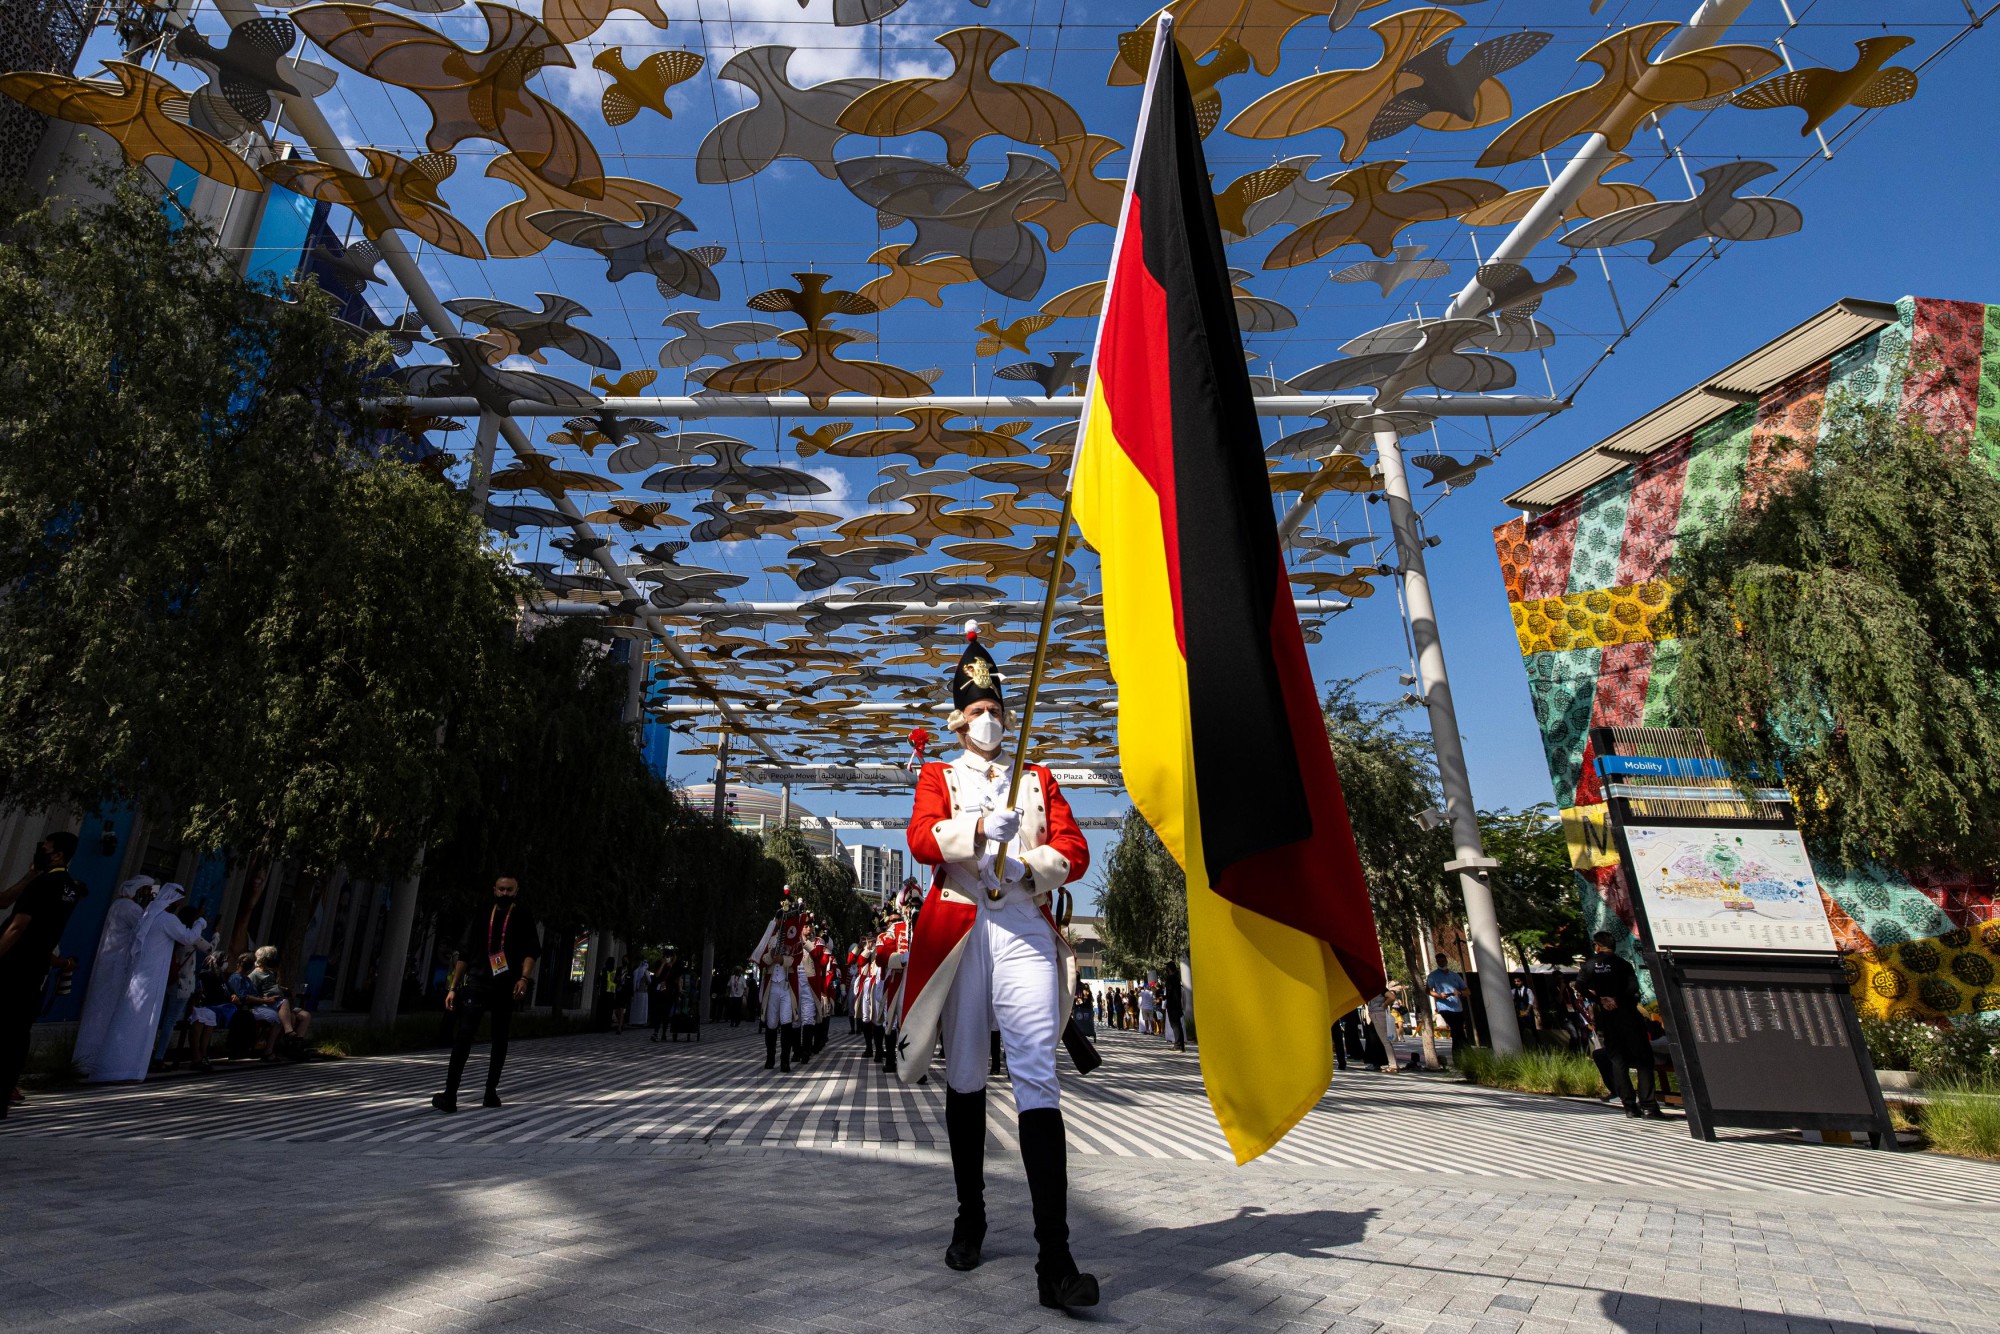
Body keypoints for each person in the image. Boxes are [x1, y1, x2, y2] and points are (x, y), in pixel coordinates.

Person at [901, 626, 1097, 1311]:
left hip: (1020, 923)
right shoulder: (940, 775)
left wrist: (1025, 864)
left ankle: (1055, 1256)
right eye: (976, 712)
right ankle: (971, 1214)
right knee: (963, 1073)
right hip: (962, 926)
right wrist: (980, 833)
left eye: (995, 712)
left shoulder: (1037, 778)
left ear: (1008, 717)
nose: (988, 722)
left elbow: (1075, 848)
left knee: (1037, 1072)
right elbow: (922, 836)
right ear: (960, 719)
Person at [432, 875, 540, 1112]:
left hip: (506, 985)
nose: (504, 893)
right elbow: (464, 952)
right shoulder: (482, 914)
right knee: (464, 1035)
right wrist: (453, 987)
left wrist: (524, 978)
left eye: (509, 890)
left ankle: (491, 1092)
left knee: (500, 1038)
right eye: (501, 889)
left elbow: (531, 950)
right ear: (494, 889)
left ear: (516, 890)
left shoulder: (522, 916)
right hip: (478, 981)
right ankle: (450, 1094)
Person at [0, 832, 87, 1119]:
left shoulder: (44, 884)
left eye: (45, 847)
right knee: (17, 1031)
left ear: (57, 854)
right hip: (37, 967)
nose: (40, 850)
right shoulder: (69, 888)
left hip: (13, 964)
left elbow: (17, 926)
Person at [90, 883, 208, 1082]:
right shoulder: (167, 919)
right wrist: (201, 922)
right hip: (152, 976)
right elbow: (188, 937)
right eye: (178, 901)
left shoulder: (150, 915)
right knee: (143, 1020)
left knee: (132, 1018)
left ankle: (123, 1066)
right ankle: (128, 1067)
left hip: (141, 975)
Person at [71, 875, 154, 1077]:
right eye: (146, 891)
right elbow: (146, 929)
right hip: (117, 963)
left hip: (111, 961)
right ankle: (94, 1060)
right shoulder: (130, 908)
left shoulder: (118, 905)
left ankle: (87, 1059)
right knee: (106, 1009)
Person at [1576, 931, 1661, 1119]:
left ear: (1596, 946)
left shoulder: (1589, 965)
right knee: (1643, 1059)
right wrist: (1618, 999)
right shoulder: (1622, 964)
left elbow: (1579, 986)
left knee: (1617, 1059)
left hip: (1607, 1017)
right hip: (1628, 1014)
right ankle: (1649, 1105)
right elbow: (1633, 988)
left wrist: (1600, 999)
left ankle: (1629, 1106)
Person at [752, 892, 807, 1072]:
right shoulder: (770, 939)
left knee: (786, 1021)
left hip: (786, 985)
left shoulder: (793, 938)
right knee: (771, 1022)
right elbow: (761, 960)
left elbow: (797, 959)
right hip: (772, 986)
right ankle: (770, 1058)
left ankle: (785, 1060)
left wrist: (782, 960)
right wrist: (771, 956)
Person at [1426, 960, 1471, 1057]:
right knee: (1457, 1029)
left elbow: (1467, 991)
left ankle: (1462, 1056)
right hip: (1444, 1007)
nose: (1441, 962)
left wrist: (1460, 993)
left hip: (1457, 1007)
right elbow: (1428, 990)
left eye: (1442, 960)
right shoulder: (1433, 976)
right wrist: (1439, 995)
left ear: (1446, 961)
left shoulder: (1454, 975)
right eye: (1438, 960)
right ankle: (1467, 1055)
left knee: (1458, 1032)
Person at [1162, 967, 1184, 1051]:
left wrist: (1164, 997)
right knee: (1178, 1025)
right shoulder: (1177, 979)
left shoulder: (1170, 979)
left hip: (1172, 1005)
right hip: (1177, 1005)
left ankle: (1177, 1044)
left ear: (1169, 970)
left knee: (1174, 1025)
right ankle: (1181, 1044)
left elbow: (1169, 991)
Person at [1510, 972, 1537, 1037]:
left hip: (1527, 1010)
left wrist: (1527, 1011)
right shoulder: (1513, 991)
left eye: (1518, 981)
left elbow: (1531, 1001)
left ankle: (1538, 1043)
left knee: (1532, 1027)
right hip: (1519, 1011)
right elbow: (1512, 1001)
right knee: (1521, 1028)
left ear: (1522, 981)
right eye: (1515, 981)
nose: (1516, 983)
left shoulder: (1528, 990)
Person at [629, 954, 652, 1032]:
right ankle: (641, 1021)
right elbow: (649, 981)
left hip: (636, 991)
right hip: (644, 991)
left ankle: (634, 1021)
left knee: (635, 1007)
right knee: (642, 1008)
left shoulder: (636, 971)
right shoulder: (645, 972)